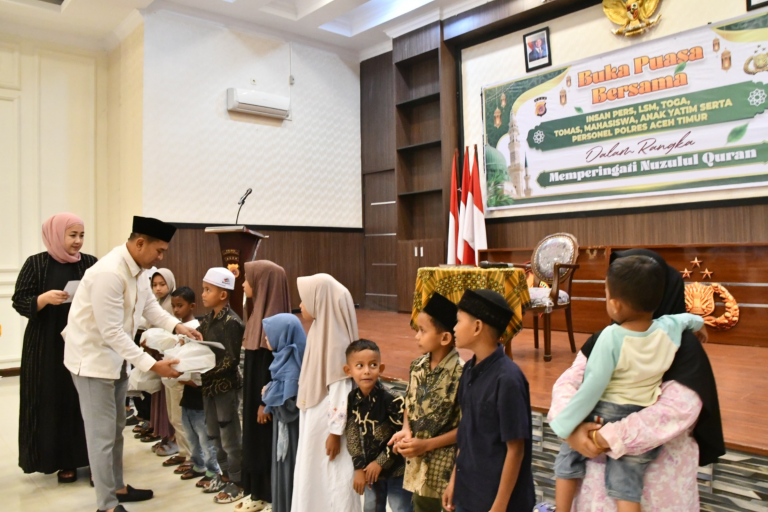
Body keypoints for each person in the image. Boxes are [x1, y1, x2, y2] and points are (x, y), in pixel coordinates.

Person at [541, 249, 725, 512]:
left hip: (658, 492)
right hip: (594, 494)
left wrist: (600, 438)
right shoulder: (613, 336)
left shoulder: (684, 347)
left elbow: (676, 411)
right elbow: (569, 381)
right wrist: (572, 432)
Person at [63, 216, 201, 512]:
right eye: (159, 251)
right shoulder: (110, 272)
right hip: (92, 362)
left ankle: (117, 487)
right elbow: (110, 331)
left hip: (116, 359)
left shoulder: (138, 270)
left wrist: (178, 327)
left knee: (115, 430)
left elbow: (150, 307)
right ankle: (107, 505)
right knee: (101, 436)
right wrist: (154, 366)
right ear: (140, 242)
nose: (161, 257)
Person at [12, 213, 96, 483]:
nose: (78, 241)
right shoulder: (36, 264)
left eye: (81, 235)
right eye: (72, 235)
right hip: (46, 345)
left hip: (83, 341)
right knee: (53, 400)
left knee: (83, 400)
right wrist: (43, 299)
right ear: (56, 234)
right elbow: (20, 301)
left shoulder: (90, 263)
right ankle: (62, 461)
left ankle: (93, 460)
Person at [443, 289, 534, 512]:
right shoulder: (468, 370)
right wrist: (455, 480)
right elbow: (466, 433)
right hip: (469, 493)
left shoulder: (508, 379)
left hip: (499, 501)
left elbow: (516, 449)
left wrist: (499, 506)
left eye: (458, 321)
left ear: (477, 327)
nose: (453, 328)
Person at [291, 273, 361, 512]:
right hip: (315, 415)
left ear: (321, 300)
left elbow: (341, 389)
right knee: (313, 474)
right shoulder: (319, 330)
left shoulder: (336, 341)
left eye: (305, 299)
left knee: (330, 476)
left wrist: (334, 432)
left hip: (327, 421)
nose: (300, 305)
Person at [389, 292, 463, 512]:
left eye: (422, 331)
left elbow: (466, 429)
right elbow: (409, 404)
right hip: (417, 464)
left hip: (444, 469)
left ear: (445, 338)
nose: (416, 337)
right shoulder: (417, 366)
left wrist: (426, 445)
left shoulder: (461, 373)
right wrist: (406, 430)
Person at [240, 261, 291, 509]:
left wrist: (265, 403)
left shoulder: (277, 327)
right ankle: (257, 493)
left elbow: (275, 372)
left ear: (262, 283)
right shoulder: (256, 316)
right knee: (253, 440)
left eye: (248, 279)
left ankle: (270, 495)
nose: (243, 284)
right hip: (254, 396)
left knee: (265, 444)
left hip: (266, 402)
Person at [243, 313, 307, 512]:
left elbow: (290, 407)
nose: (265, 339)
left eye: (269, 335)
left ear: (283, 336)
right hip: (281, 428)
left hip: (291, 432)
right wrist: (271, 393)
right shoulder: (282, 360)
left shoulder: (292, 368)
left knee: (289, 471)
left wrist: (269, 393)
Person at [197, 267, 247, 504]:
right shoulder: (206, 320)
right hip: (208, 386)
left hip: (224, 387)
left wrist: (207, 373)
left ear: (223, 294)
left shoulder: (232, 322)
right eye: (204, 289)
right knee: (213, 434)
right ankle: (225, 475)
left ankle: (237, 481)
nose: (203, 294)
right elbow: (199, 345)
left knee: (229, 436)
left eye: (208, 290)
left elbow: (231, 360)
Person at [344, 339, 411, 512]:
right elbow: (352, 433)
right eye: (359, 366)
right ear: (348, 370)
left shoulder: (393, 399)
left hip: (398, 470)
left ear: (380, 369)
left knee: (401, 508)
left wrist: (380, 462)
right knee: (371, 508)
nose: (367, 371)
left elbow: (401, 435)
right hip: (370, 472)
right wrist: (359, 467)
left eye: (373, 365)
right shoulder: (352, 398)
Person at [170, 286, 223, 486]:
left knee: (205, 437)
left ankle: (212, 470)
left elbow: (202, 368)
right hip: (187, 397)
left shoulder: (202, 339)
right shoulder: (185, 334)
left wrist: (189, 378)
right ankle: (198, 465)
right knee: (190, 435)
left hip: (200, 397)